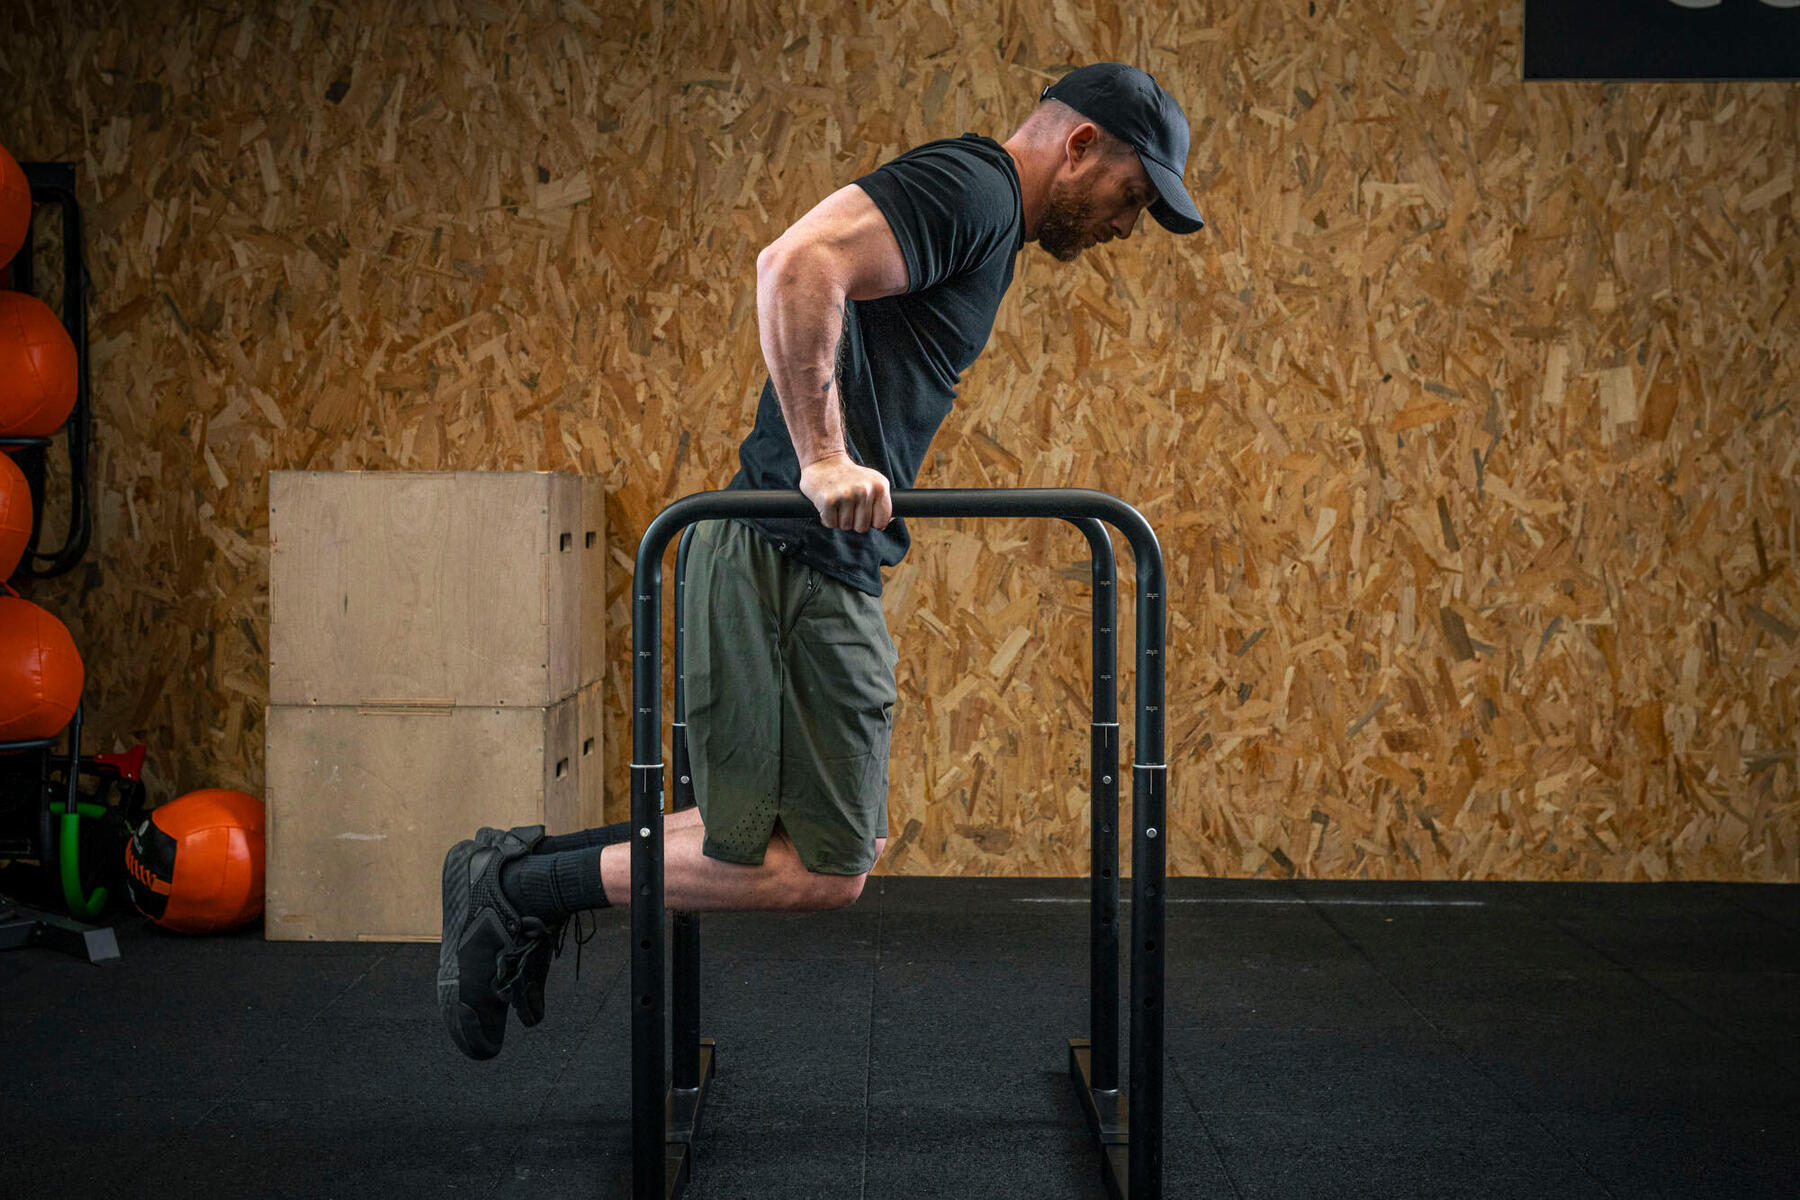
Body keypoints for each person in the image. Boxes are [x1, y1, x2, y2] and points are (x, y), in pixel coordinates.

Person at [439, 62, 1205, 1061]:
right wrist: (825, 457)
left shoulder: (986, 217)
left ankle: (508, 877)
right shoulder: (975, 189)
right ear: (1081, 145)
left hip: (792, 559)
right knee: (825, 868)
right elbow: (795, 262)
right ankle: (512, 890)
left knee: (760, 840)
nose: (1124, 228)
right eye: (1133, 199)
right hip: (788, 559)